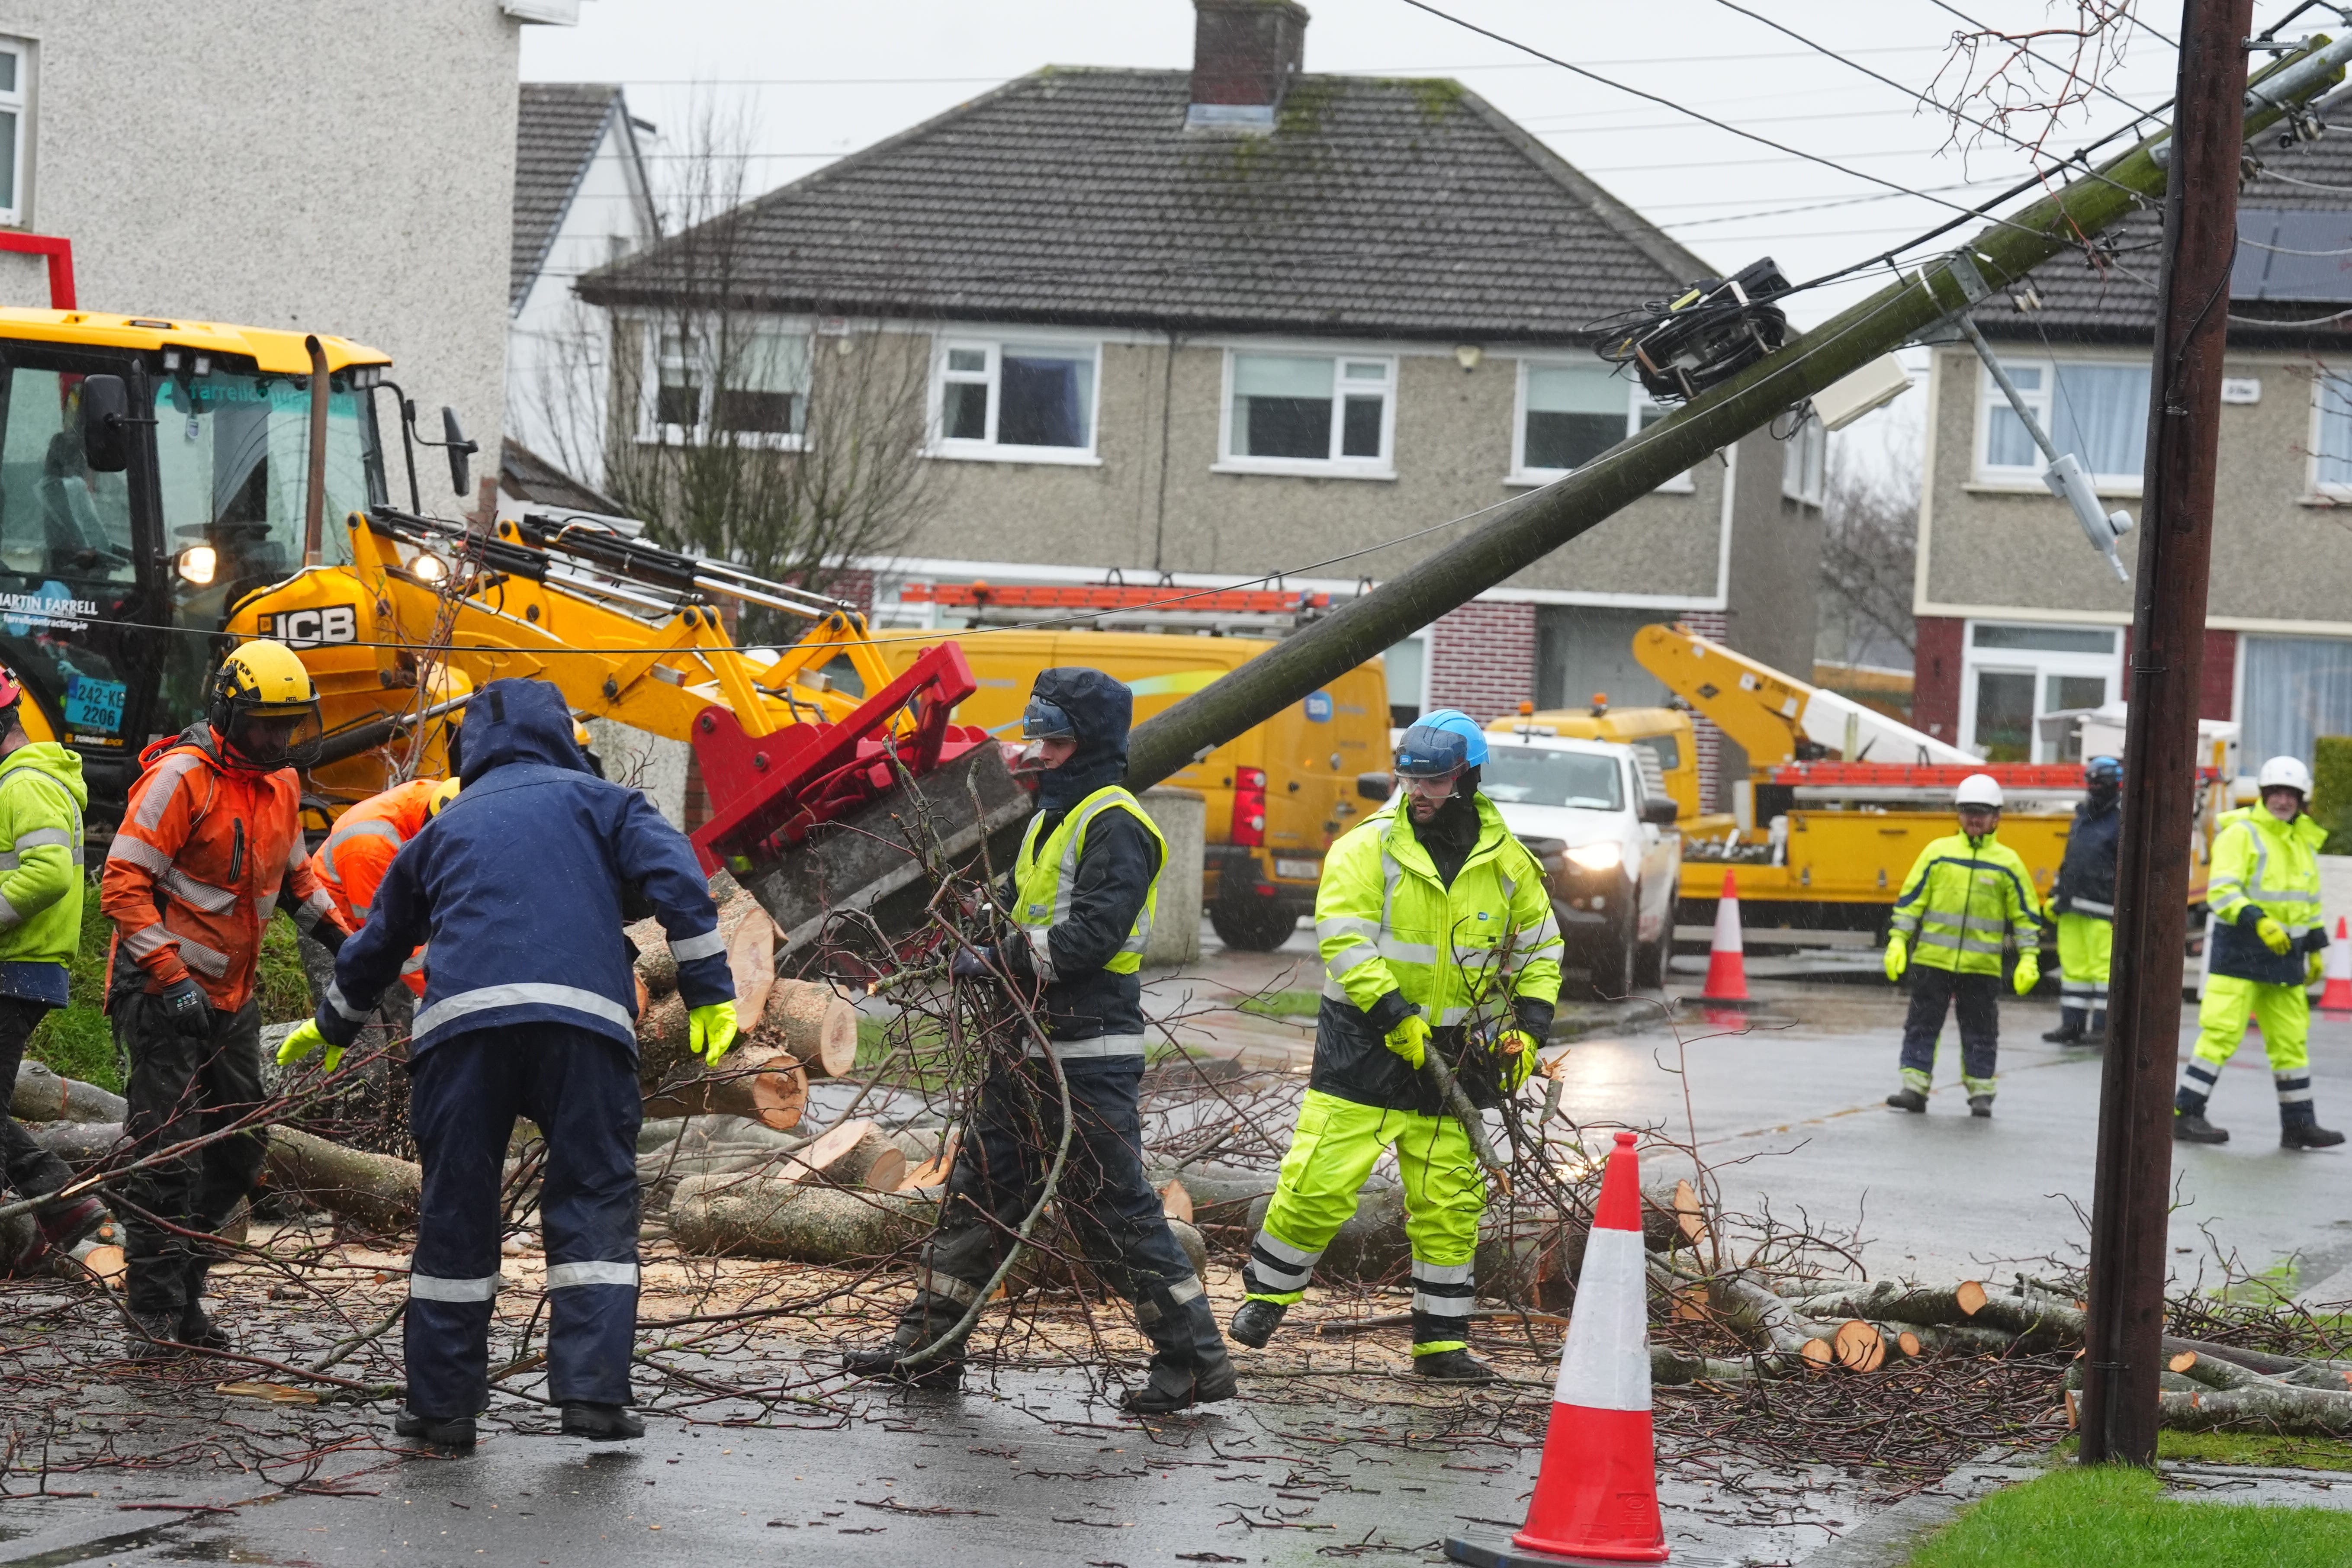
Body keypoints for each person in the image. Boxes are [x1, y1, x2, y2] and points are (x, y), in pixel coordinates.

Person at [279, 678, 735, 1448]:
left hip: (463, 1033)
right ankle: (593, 1395)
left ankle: (442, 1407)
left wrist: (334, 1020)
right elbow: (681, 887)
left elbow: (379, 937)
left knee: (455, 1209)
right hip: (584, 1027)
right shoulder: (606, 805)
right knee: (593, 1198)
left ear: (468, 752)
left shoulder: (445, 825)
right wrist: (711, 992)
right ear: (566, 736)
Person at [842, 667, 1233, 1413]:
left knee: (1111, 1207)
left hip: (1084, 1055)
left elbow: (1087, 938)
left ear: (1088, 744)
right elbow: (1023, 912)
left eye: (1052, 740)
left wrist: (998, 957)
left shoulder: (1116, 822)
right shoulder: (1052, 820)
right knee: (979, 1196)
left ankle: (1193, 1359)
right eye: (1036, 736)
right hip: (1024, 1051)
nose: (1038, 752)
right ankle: (927, 1348)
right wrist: (969, 931)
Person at [1229, 710, 1561, 1382]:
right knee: (1319, 1183)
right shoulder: (1366, 848)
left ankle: (1441, 1344)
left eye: (1435, 781)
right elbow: (1345, 937)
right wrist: (1392, 1012)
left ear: (1468, 778)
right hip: (1367, 1044)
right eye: (1411, 779)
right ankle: (1266, 1297)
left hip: (1461, 1058)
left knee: (1450, 1203)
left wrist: (1528, 1030)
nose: (1420, 792)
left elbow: (1541, 950)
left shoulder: (1510, 866)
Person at [101, 641, 352, 1357]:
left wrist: (347, 941)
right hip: (161, 990)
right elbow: (121, 882)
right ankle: (152, 1310)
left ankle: (185, 1291)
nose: (277, 738)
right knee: (167, 1155)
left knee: (241, 1150)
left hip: (230, 996)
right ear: (229, 713)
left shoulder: (280, 785)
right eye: (265, 724)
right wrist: (170, 975)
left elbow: (297, 882)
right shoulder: (183, 778)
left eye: (288, 724)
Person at [2175, 755, 2342, 1148]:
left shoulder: (2302, 838)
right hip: (2240, 953)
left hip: (2285, 957)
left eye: (2291, 795)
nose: (2283, 801)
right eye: (2276, 793)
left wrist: (2316, 948)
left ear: (2301, 800)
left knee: (2290, 1040)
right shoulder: (2242, 833)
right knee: (2221, 1035)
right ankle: (2186, 1113)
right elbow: (2223, 891)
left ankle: (2299, 1124)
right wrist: (2260, 921)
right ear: (2264, 795)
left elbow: (2308, 903)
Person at [0, 666, 104, 1260]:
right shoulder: (23, 780)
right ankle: (68, 1211)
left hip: (19, 964)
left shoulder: (25, 785)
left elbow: (44, 874)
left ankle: (65, 1209)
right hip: (22, 963)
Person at [1882, 773, 2044, 1118]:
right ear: (1958, 813)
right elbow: (1911, 900)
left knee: (1981, 1032)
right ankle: (1914, 1088)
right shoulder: (1937, 854)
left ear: (1996, 817)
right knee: (1922, 1026)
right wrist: (1898, 939)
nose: (1974, 819)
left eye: (1982, 812)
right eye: (1968, 811)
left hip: (1981, 968)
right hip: (1933, 962)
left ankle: (1981, 1094)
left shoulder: (2008, 863)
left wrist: (2030, 957)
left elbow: (2026, 915)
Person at [308, 774, 461, 1001]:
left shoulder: (442, 798)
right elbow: (387, 935)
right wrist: (451, 997)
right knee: (367, 1004)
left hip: (371, 900)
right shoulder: (373, 849)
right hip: (335, 923)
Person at [2044, 756, 2122, 1047]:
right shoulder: (2083, 816)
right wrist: (2057, 894)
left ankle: (2104, 1028)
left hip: (2103, 908)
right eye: (2091, 781)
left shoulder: (2122, 817)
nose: (2094, 787)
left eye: (2099, 782)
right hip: (2072, 906)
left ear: (2115, 783)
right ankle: (2072, 1025)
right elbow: (2071, 859)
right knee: (2075, 969)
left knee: (2104, 970)